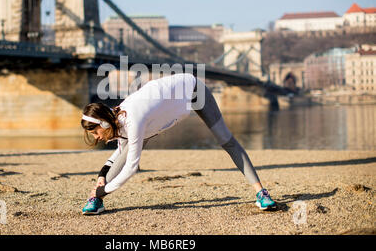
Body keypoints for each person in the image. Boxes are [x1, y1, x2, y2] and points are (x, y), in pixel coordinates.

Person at [80, 73, 276, 215]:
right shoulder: (118, 117)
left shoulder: (133, 119)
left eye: (95, 132)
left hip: (192, 90)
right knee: (125, 153)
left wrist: (104, 188)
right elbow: (121, 151)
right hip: (160, 116)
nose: (96, 138)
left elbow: (132, 167)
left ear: (104, 123)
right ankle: (96, 200)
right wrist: (102, 175)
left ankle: (261, 193)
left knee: (226, 140)